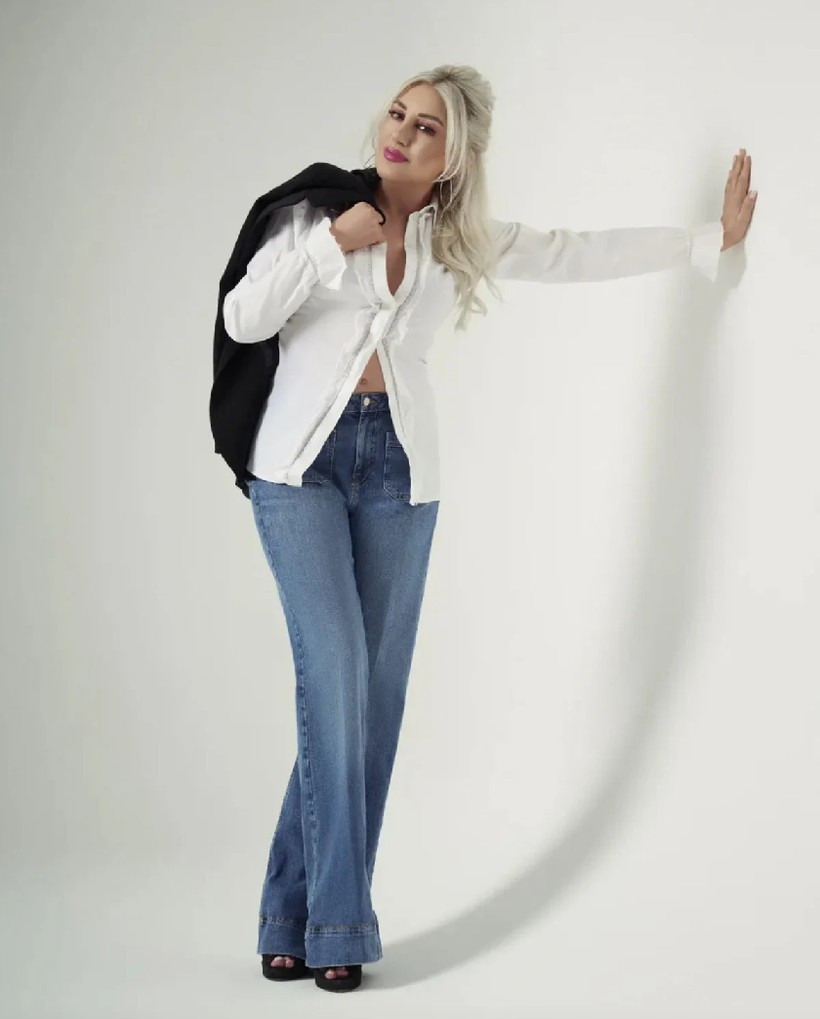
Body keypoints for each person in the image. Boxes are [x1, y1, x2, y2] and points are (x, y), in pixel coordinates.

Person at [221, 64, 756, 993]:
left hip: (400, 473)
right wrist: (329, 247)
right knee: (335, 674)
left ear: (455, 156)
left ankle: (288, 916)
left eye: (425, 127)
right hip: (299, 471)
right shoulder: (316, 213)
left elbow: (571, 252)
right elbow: (242, 315)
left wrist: (710, 239)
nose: (400, 133)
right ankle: (337, 923)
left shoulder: (457, 238)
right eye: (397, 115)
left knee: (372, 700)